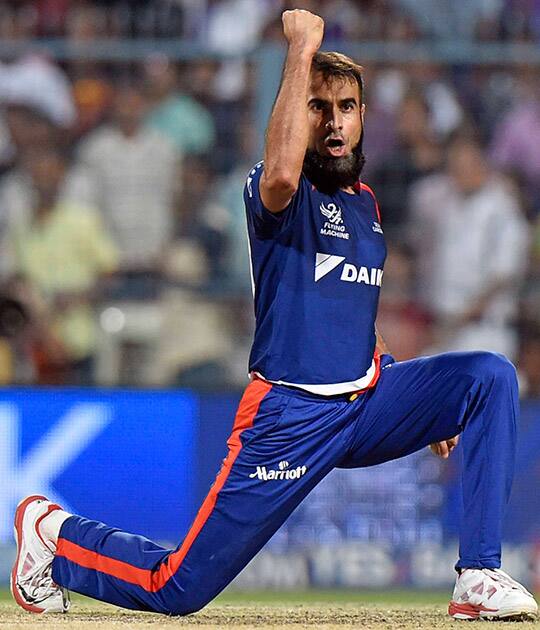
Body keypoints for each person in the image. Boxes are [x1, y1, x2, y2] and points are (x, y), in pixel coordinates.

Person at [11, 9, 538, 622]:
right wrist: (301, 50)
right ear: (298, 115)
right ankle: (52, 534)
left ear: (364, 117)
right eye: (319, 107)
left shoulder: (365, 204)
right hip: (290, 414)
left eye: (346, 106)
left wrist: (427, 403)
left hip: (366, 402)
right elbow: (285, 168)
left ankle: (478, 574)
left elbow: (354, 314)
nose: (335, 120)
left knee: (488, 375)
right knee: (175, 588)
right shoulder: (276, 190)